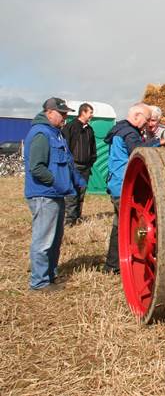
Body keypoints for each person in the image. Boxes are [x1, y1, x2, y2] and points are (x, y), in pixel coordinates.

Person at [24, 97, 87, 291]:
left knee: (55, 238)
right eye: (62, 114)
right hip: (44, 195)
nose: (65, 118)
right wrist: (57, 182)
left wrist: (78, 182)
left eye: (67, 115)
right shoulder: (41, 134)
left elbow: (67, 162)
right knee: (43, 240)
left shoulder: (56, 134)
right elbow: (37, 168)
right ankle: (39, 282)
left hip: (56, 194)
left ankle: (50, 275)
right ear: (49, 112)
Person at [103, 103, 152, 274]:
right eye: (146, 120)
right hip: (124, 186)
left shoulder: (119, 129)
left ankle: (112, 265)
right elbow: (139, 152)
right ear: (137, 115)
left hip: (116, 184)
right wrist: (159, 142)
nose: (146, 124)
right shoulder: (130, 133)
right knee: (134, 226)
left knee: (119, 226)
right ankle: (133, 264)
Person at [62, 102, 97, 226]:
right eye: (90, 112)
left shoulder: (89, 130)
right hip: (73, 166)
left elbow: (93, 148)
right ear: (83, 112)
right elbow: (65, 147)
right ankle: (69, 220)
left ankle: (77, 217)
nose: (92, 115)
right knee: (72, 193)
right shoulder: (70, 127)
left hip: (85, 167)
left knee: (81, 193)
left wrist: (91, 160)